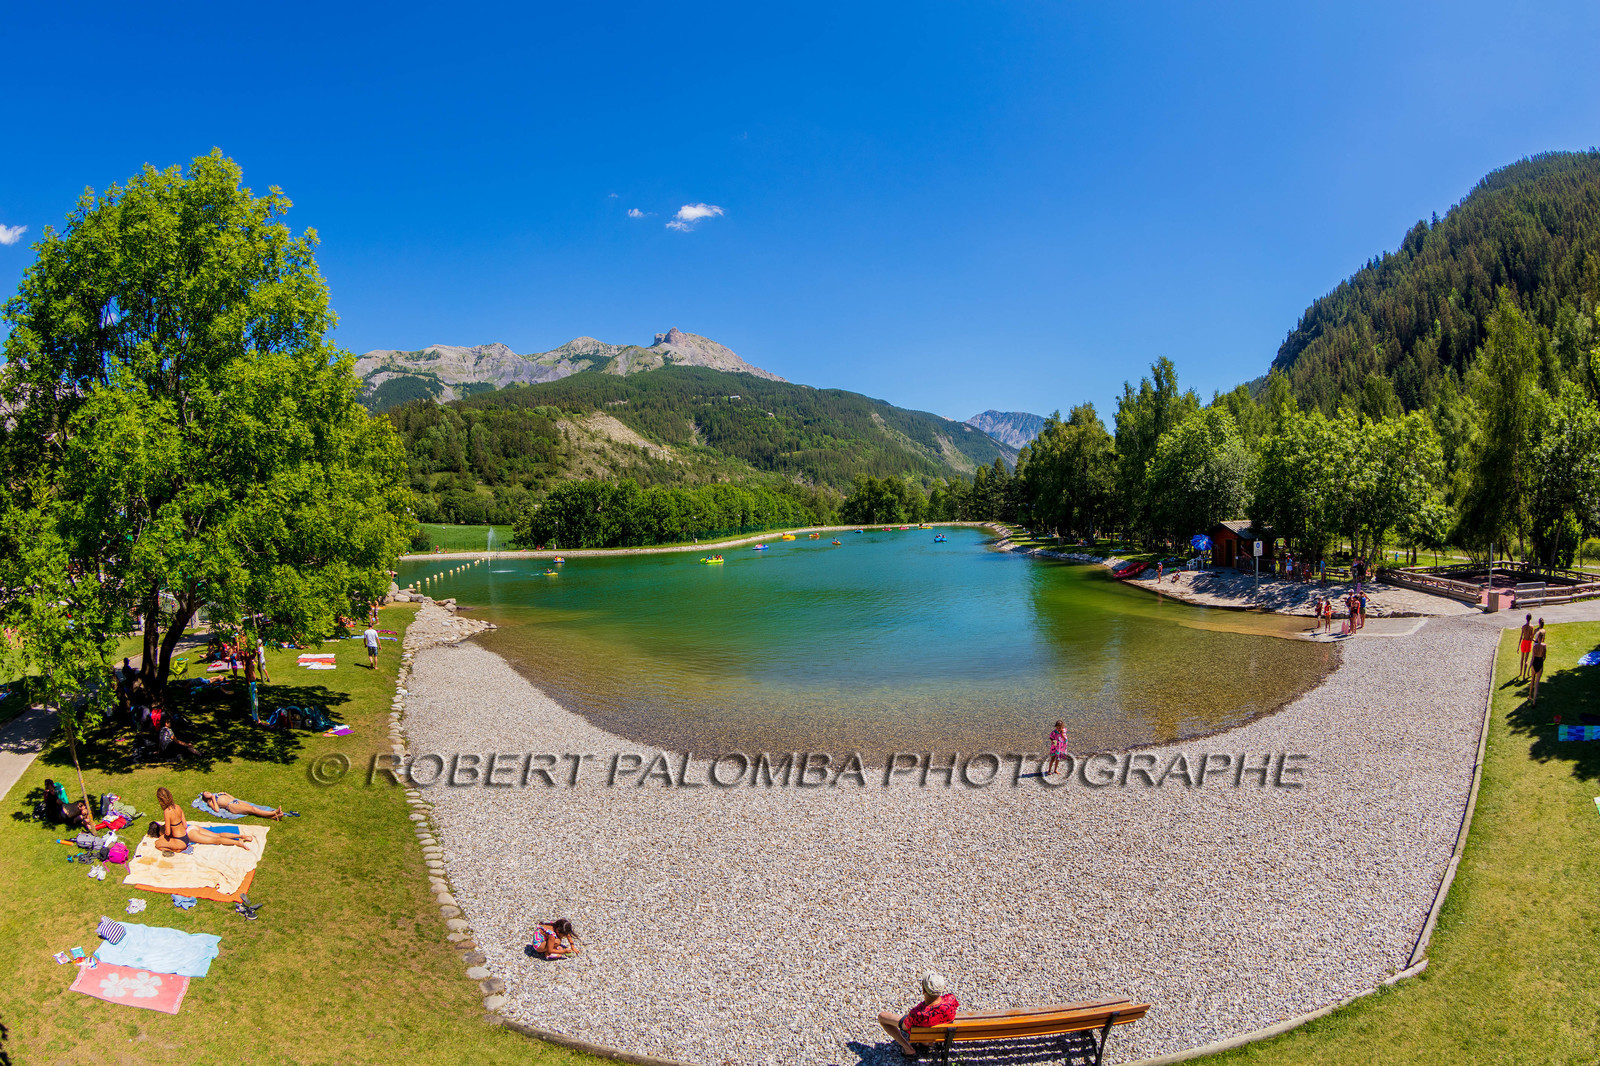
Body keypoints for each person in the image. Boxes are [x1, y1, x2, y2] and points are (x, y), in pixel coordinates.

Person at [878, 972, 960, 1059]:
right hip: (942, 1032)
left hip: (923, 1029)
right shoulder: (951, 999)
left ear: (923, 990)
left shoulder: (917, 1013)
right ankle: (929, 1042)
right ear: (943, 987)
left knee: (882, 1017)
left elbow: (906, 1027)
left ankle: (908, 1048)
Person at [150, 787, 253, 852]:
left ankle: (238, 843)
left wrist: (167, 837)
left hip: (184, 839)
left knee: (215, 840)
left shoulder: (166, 812)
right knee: (217, 835)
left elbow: (167, 832)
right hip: (189, 830)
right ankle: (241, 836)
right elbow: (185, 825)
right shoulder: (177, 806)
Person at [199, 791, 290, 820]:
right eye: (206, 794)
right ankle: (273, 813)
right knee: (253, 809)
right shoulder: (210, 801)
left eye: (207, 792)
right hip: (231, 806)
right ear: (205, 798)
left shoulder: (217, 794)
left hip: (235, 801)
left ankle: (274, 817)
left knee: (253, 809)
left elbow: (233, 798)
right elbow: (217, 810)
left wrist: (225, 793)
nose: (208, 793)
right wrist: (213, 799)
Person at [1530, 621, 1547, 705]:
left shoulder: (1535, 646)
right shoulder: (1544, 646)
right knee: (1537, 683)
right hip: (1540, 663)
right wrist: (1542, 661)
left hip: (1535, 662)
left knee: (1532, 680)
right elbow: (1544, 657)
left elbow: (1533, 658)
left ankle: (1530, 695)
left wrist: (1530, 665)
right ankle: (1534, 701)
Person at [1518, 613, 1536, 679]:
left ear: (1526, 619)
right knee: (1526, 660)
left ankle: (1520, 672)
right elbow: (1531, 637)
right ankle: (1524, 675)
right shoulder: (1531, 627)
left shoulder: (1523, 627)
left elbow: (1521, 636)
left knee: (1522, 659)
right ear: (1530, 618)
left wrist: (1518, 646)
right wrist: (1535, 640)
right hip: (1528, 642)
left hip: (1523, 642)